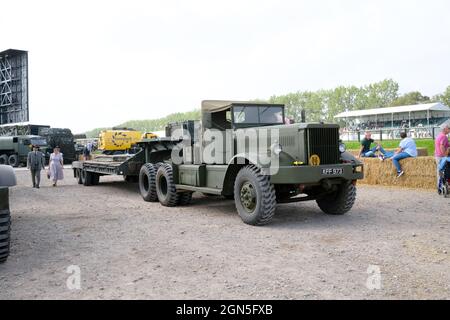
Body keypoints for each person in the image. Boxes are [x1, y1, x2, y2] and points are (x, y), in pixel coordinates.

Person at [434, 122, 450, 192]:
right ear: (445, 129)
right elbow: (441, 146)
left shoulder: (438, 136)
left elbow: (437, 147)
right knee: (444, 171)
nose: (449, 129)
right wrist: (445, 155)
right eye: (448, 128)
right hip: (442, 156)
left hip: (437, 155)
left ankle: (439, 186)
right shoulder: (444, 136)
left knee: (440, 171)